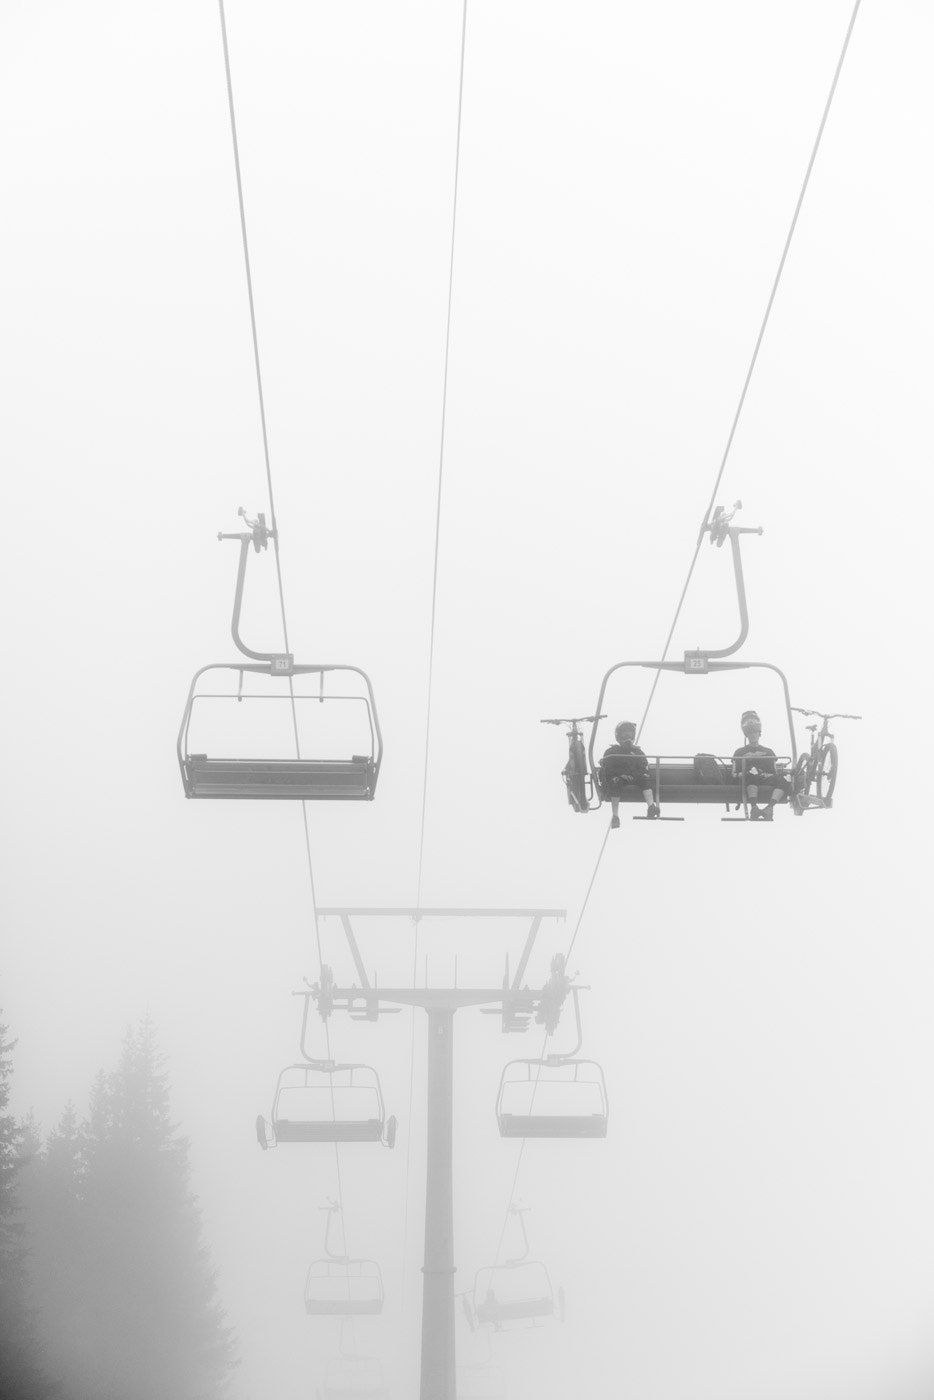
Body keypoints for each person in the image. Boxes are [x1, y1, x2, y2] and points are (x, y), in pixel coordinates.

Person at [732, 709, 790, 820]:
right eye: (750, 733)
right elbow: (734, 773)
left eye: (755, 732)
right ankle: (754, 807)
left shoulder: (769, 752)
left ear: (759, 733)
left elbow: (774, 772)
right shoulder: (739, 752)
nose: (753, 735)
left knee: (786, 777)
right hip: (748, 777)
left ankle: (769, 808)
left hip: (765, 778)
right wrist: (742, 774)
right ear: (747, 735)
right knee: (753, 771)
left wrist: (766, 775)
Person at [600, 721, 659, 828]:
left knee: (645, 778)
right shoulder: (612, 751)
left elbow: (643, 767)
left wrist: (635, 775)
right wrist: (621, 775)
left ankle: (651, 806)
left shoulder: (637, 752)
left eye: (630, 735)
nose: (628, 738)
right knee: (615, 782)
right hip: (618, 778)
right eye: (624, 735)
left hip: (634, 777)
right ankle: (615, 816)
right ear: (619, 736)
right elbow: (608, 768)